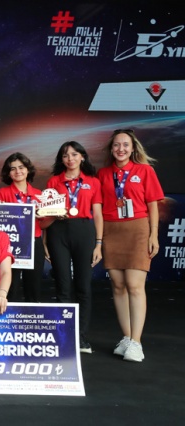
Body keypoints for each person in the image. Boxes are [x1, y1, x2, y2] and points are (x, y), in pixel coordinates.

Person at [97, 129, 163, 362]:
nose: (121, 149)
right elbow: (98, 207)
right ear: (111, 149)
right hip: (111, 230)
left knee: (135, 285)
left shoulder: (145, 171)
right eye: (116, 145)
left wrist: (153, 235)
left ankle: (137, 342)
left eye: (125, 145)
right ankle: (126, 338)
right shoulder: (103, 173)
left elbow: (153, 205)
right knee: (118, 286)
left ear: (133, 148)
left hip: (137, 229)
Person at [45, 141, 103, 354]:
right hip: (58, 231)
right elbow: (46, 214)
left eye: (74, 154)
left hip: (84, 232)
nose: (70, 159)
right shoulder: (54, 181)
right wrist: (45, 242)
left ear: (82, 157)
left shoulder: (92, 182)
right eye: (65, 155)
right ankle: (65, 336)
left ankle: (81, 338)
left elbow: (98, 214)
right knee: (63, 286)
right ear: (61, 159)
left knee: (83, 286)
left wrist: (99, 243)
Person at [0, 153, 49, 302]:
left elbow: (42, 224)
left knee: (34, 287)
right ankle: (8, 315)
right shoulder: (3, 193)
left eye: (21, 167)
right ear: (8, 173)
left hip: (34, 243)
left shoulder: (39, 194)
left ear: (28, 170)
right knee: (11, 287)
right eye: (13, 169)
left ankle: (32, 315)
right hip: (11, 244)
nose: (18, 171)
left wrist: (54, 216)